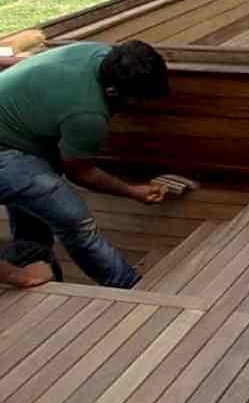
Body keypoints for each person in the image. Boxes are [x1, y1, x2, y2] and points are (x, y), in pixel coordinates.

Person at [0, 40, 171, 288]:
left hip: (15, 133)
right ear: (112, 91)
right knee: (75, 222)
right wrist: (133, 191)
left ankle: (37, 270)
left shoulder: (101, 54)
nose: (139, 106)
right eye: (137, 99)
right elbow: (81, 172)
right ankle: (128, 286)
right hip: (5, 153)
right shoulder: (86, 114)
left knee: (33, 211)